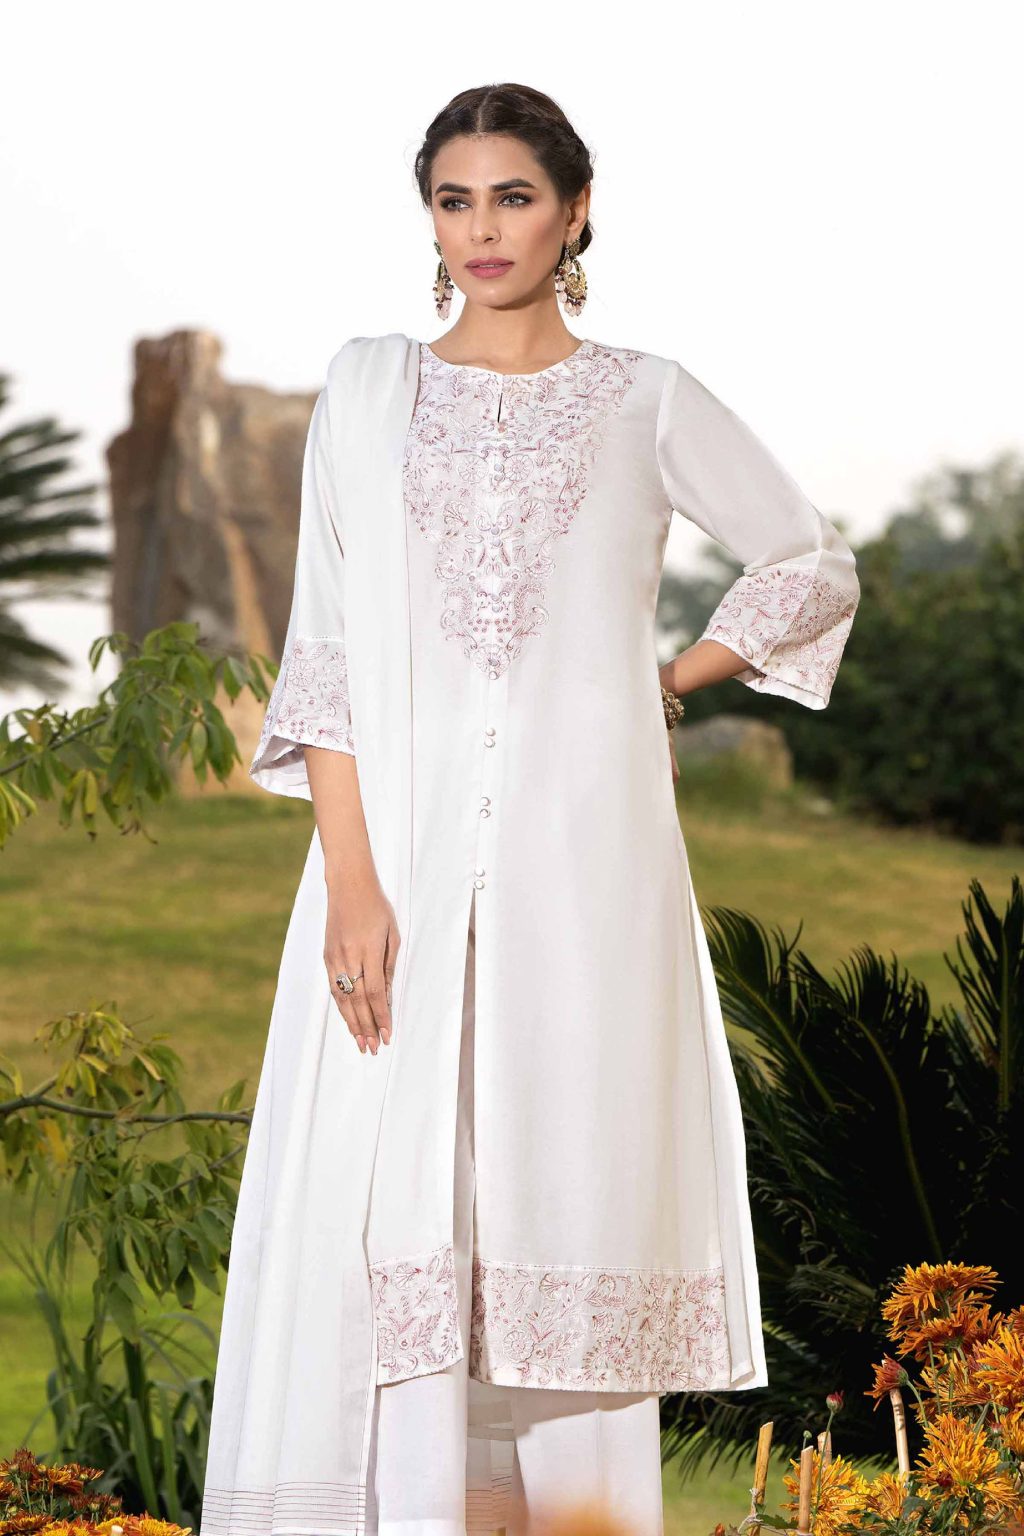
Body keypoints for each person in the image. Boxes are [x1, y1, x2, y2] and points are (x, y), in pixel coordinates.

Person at [198, 82, 860, 1536]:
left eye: (513, 197)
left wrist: (663, 680)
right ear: (428, 220)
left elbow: (808, 561)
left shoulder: (646, 397)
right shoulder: (368, 392)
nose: (483, 229)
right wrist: (353, 883)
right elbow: (327, 652)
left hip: (587, 867)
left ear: (574, 211)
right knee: (390, 1192)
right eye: (455, 200)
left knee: (563, 1182)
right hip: (395, 867)